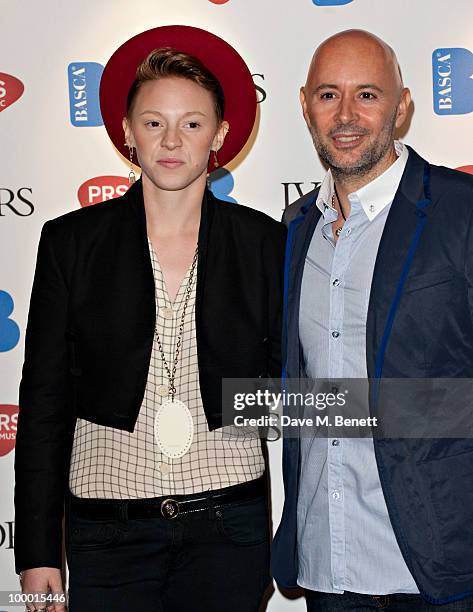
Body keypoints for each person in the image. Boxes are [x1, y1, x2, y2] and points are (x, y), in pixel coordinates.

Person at [15, 25, 286, 612]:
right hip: (106, 531)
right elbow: (43, 404)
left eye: (192, 122)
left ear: (221, 133)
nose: (171, 139)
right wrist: (38, 553)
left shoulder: (264, 242)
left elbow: (284, 381)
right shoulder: (71, 242)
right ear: (127, 133)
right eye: (153, 121)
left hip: (229, 527)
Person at [272, 29, 473, 611]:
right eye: (329, 95)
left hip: (435, 570)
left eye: (368, 94)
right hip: (326, 566)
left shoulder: (460, 213)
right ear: (305, 105)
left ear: (402, 105)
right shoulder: (292, 229)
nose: (346, 115)